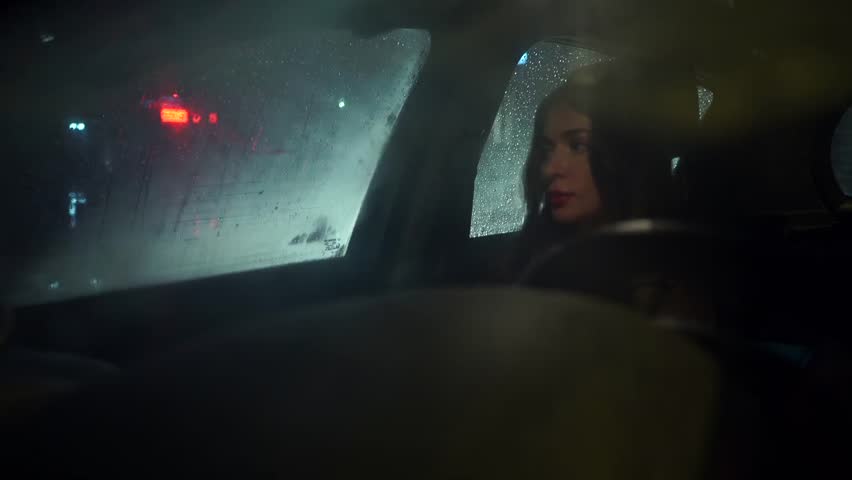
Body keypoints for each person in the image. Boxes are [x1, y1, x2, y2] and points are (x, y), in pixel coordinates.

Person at [507, 61, 676, 280]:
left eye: (578, 146)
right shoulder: (537, 252)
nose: (550, 168)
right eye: (547, 149)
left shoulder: (675, 277)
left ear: (624, 155)